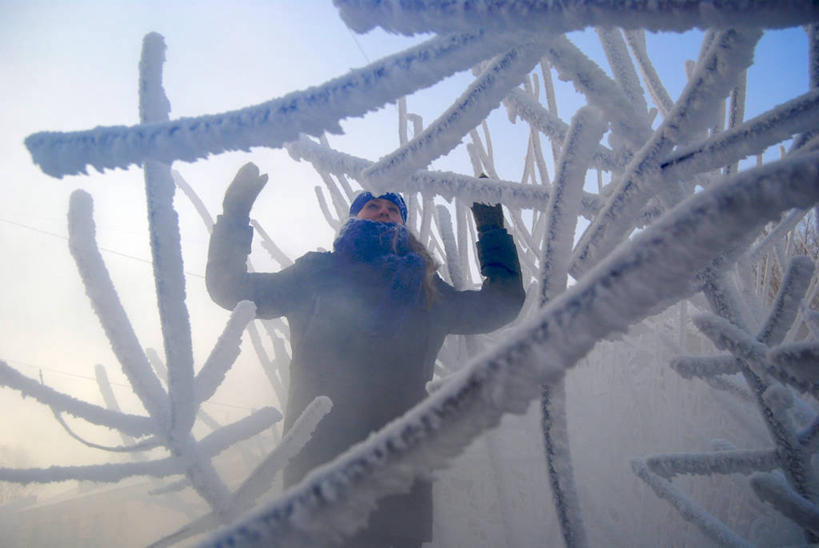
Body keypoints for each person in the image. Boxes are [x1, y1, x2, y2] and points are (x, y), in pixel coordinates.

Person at [206, 163, 525, 548]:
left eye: (393, 210)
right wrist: (235, 215)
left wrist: (491, 226)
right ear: (354, 218)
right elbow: (230, 289)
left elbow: (501, 304)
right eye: (373, 206)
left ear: (403, 226)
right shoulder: (315, 273)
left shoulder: (427, 290)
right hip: (317, 468)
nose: (384, 212)